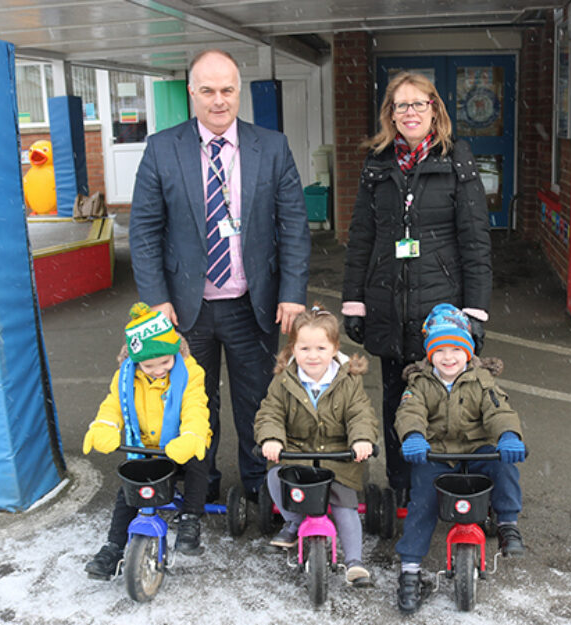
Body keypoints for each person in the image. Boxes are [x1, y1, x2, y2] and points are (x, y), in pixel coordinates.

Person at [129, 49, 311, 503]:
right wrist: (155, 299)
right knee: (193, 404)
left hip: (254, 304)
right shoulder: (162, 148)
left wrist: (291, 293)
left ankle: (257, 489)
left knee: (257, 402)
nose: (218, 101)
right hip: (184, 309)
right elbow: (144, 230)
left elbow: (294, 227)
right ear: (192, 93)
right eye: (207, 90)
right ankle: (198, 488)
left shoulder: (271, 147)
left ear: (239, 91)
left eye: (227, 90)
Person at [341, 71, 491, 504]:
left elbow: (476, 241)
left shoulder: (457, 160)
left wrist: (476, 312)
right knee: (397, 402)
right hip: (388, 303)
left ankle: (444, 484)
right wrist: (355, 302)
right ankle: (402, 487)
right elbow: (362, 236)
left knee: (448, 405)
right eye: (400, 105)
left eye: (417, 104)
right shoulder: (378, 163)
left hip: (442, 311)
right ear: (391, 113)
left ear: (434, 109)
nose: (409, 113)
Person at [393, 303, 526, 613]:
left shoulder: (482, 381)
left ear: (468, 351)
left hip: (478, 448)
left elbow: (498, 410)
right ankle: (410, 570)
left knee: (503, 464)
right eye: (440, 350)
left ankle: (508, 522)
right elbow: (409, 412)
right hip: (438, 452)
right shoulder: (420, 383)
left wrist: (509, 434)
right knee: (422, 500)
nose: (448, 357)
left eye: (456, 348)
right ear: (429, 354)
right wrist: (414, 437)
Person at [82, 302, 212, 579]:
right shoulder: (125, 377)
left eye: (165, 362)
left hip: (181, 444)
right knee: (128, 490)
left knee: (199, 463)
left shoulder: (190, 373)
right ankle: (114, 546)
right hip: (145, 449)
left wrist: (191, 435)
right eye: (149, 365)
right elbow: (112, 406)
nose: (158, 370)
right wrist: (104, 426)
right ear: (136, 360)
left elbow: (195, 408)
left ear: (175, 350)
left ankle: (190, 517)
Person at [253, 306, 379, 586]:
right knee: (276, 476)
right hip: (296, 453)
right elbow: (270, 412)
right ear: (293, 349)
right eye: (304, 348)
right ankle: (294, 520)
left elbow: (360, 413)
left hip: (338, 456)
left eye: (321, 348)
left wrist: (361, 439)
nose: (312, 355)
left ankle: (355, 562)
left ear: (334, 348)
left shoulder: (348, 382)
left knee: (345, 507)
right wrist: (272, 438)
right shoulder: (284, 381)